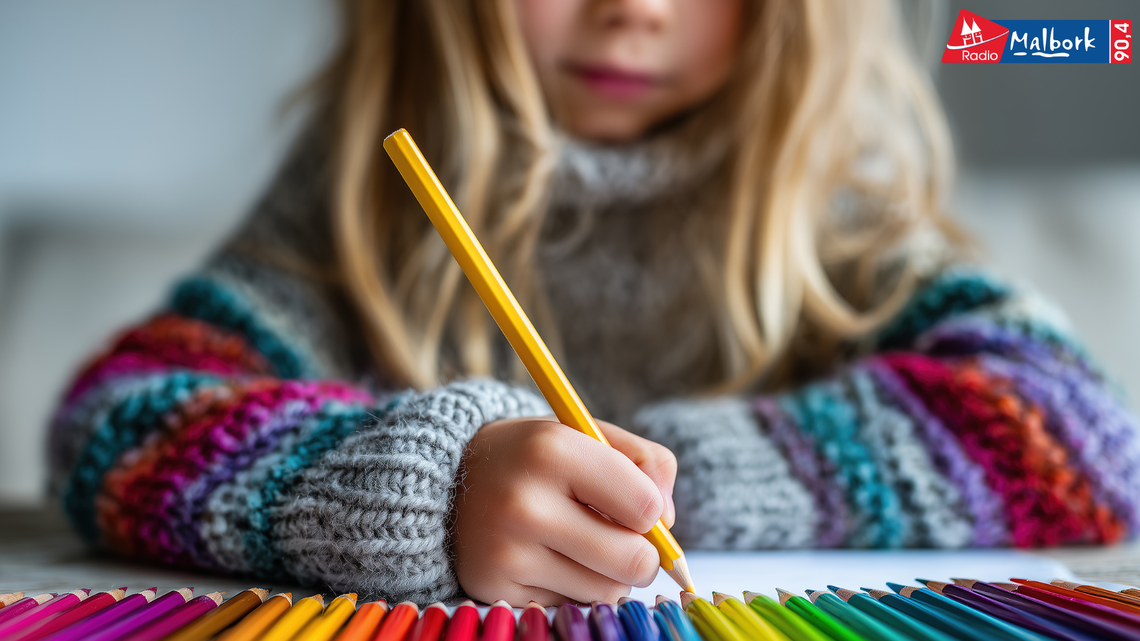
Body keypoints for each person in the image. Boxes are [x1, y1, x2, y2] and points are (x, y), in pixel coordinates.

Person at [49, 0, 1140, 606]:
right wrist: (430, 491)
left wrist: (653, 482)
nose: (635, 11)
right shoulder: (358, 208)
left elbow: (1079, 438)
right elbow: (124, 416)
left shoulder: (830, 217)